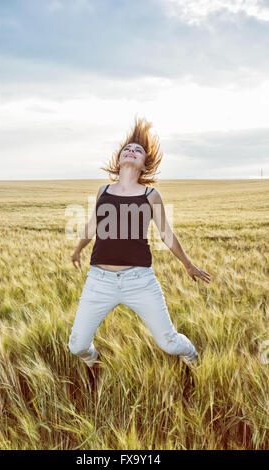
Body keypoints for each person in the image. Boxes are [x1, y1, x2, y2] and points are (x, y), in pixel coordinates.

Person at [69, 116, 211, 368]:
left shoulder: (151, 195)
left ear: (145, 165)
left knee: (169, 344)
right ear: (119, 159)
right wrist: (77, 251)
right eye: (127, 149)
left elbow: (166, 233)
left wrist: (188, 265)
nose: (132, 151)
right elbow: (92, 226)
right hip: (99, 280)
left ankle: (190, 352)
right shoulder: (103, 191)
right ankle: (94, 362)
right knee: (77, 346)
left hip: (140, 281)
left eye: (138, 150)